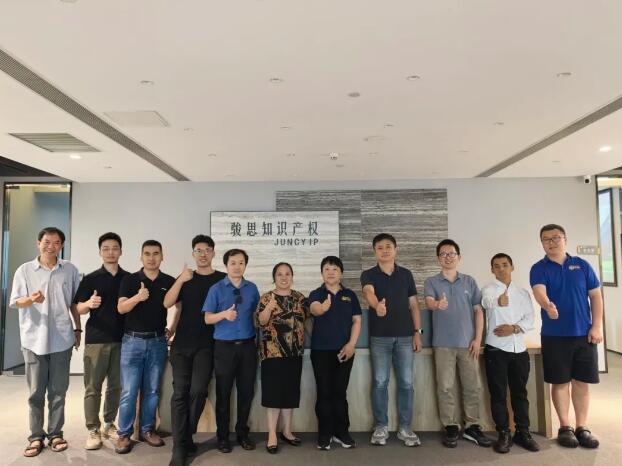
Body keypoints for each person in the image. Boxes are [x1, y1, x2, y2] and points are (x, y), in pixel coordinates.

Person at [9, 226, 81, 457]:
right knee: (36, 393)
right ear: (38, 243)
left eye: (56, 242)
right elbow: (16, 302)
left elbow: (74, 303)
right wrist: (30, 299)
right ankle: (35, 436)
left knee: (59, 391)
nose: (51, 246)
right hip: (34, 339)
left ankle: (56, 433)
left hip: (62, 337)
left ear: (62, 245)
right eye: (47, 242)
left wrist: (78, 328)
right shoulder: (25, 270)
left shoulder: (69, 270)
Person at [530, 224, 603, 449]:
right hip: (554, 336)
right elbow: (539, 291)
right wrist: (547, 305)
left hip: (583, 334)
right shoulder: (539, 268)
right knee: (560, 382)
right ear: (542, 243)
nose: (551, 242)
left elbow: (596, 297)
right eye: (546, 239)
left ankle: (582, 427)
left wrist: (596, 326)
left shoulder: (582, 265)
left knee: (581, 382)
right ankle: (565, 426)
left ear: (565, 239)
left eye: (556, 238)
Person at [163, 235, 225, 466]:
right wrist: (180, 279)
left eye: (207, 250)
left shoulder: (222, 279)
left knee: (199, 391)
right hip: (181, 345)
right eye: (198, 250)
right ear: (193, 254)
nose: (203, 254)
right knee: (180, 393)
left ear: (213, 253)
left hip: (207, 345)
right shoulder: (186, 278)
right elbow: (168, 303)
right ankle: (179, 447)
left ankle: (186, 436)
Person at [424, 239, 491, 448]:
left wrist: (478, 339)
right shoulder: (431, 281)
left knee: (472, 386)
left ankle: (472, 426)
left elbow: (478, 311)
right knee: (445, 387)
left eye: (452, 253)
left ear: (459, 257)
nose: (448, 257)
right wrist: (438, 304)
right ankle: (450, 426)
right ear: (438, 258)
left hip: (468, 344)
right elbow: (429, 302)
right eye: (443, 254)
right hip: (442, 344)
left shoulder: (469, 282)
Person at [361, 233, 423, 447]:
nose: (385, 250)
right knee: (380, 382)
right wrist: (376, 305)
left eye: (388, 246)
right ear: (374, 252)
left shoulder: (406, 274)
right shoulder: (368, 274)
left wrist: (418, 332)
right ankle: (381, 426)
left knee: (407, 383)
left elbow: (414, 305)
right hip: (380, 338)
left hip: (406, 337)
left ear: (395, 250)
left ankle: (405, 427)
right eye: (380, 247)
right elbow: (368, 292)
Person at [115, 240, 176, 454]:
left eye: (156, 253)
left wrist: (172, 328)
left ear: (162, 256)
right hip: (132, 342)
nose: (151, 258)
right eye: (147, 254)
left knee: (152, 390)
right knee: (129, 391)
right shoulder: (130, 280)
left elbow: (180, 307)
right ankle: (124, 434)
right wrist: (138, 297)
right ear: (141, 257)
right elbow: (121, 308)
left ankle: (148, 430)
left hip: (158, 342)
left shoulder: (168, 281)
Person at [74, 232, 129, 450]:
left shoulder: (129, 278)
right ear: (100, 252)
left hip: (123, 339)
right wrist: (89, 303)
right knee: (93, 387)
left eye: (114, 248)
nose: (110, 252)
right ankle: (93, 429)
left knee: (116, 386)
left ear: (121, 251)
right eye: (106, 248)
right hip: (96, 340)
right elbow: (78, 308)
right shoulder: (91, 279)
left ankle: (109, 424)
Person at [481, 253, 539, 453]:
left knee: (520, 393)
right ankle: (504, 433)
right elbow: (486, 303)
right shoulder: (488, 290)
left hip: (519, 350)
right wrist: (499, 301)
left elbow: (530, 318)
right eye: (496, 266)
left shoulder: (523, 293)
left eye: (505, 265)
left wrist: (513, 328)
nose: (501, 269)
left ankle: (523, 432)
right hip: (496, 350)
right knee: (498, 394)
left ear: (512, 267)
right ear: (492, 270)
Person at [203, 249, 260, 454]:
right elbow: (207, 318)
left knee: (246, 392)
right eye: (233, 263)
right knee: (223, 393)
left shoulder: (252, 288)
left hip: (248, 347)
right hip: (224, 348)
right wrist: (224, 315)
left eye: (241, 263)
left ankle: (242, 434)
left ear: (245, 265)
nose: (237, 266)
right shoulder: (216, 289)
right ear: (226, 265)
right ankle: (223, 437)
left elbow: (257, 316)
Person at [309, 256, 362, 450]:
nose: (331, 272)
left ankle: (342, 432)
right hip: (321, 351)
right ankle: (325, 434)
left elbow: (357, 321)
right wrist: (322, 308)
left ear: (341, 273)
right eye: (327, 269)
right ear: (322, 273)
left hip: (344, 351)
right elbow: (314, 309)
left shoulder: (350, 295)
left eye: (334, 269)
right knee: (324, 393)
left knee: (340, 392)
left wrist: (351, 345)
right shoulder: (316, 293)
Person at [255, 262, 309, 454]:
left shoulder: (300, 298)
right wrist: (269, 308)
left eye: (287, 274)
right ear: (274, 277)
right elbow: (261, 322)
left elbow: (309, 321)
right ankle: (272, 434)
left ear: (292, 277)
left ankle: (287, 431)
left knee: (289, 393)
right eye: (280, 274)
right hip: (272, 353)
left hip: (295, 353)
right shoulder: (266, 297)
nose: (284, 277)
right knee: (273, 394)